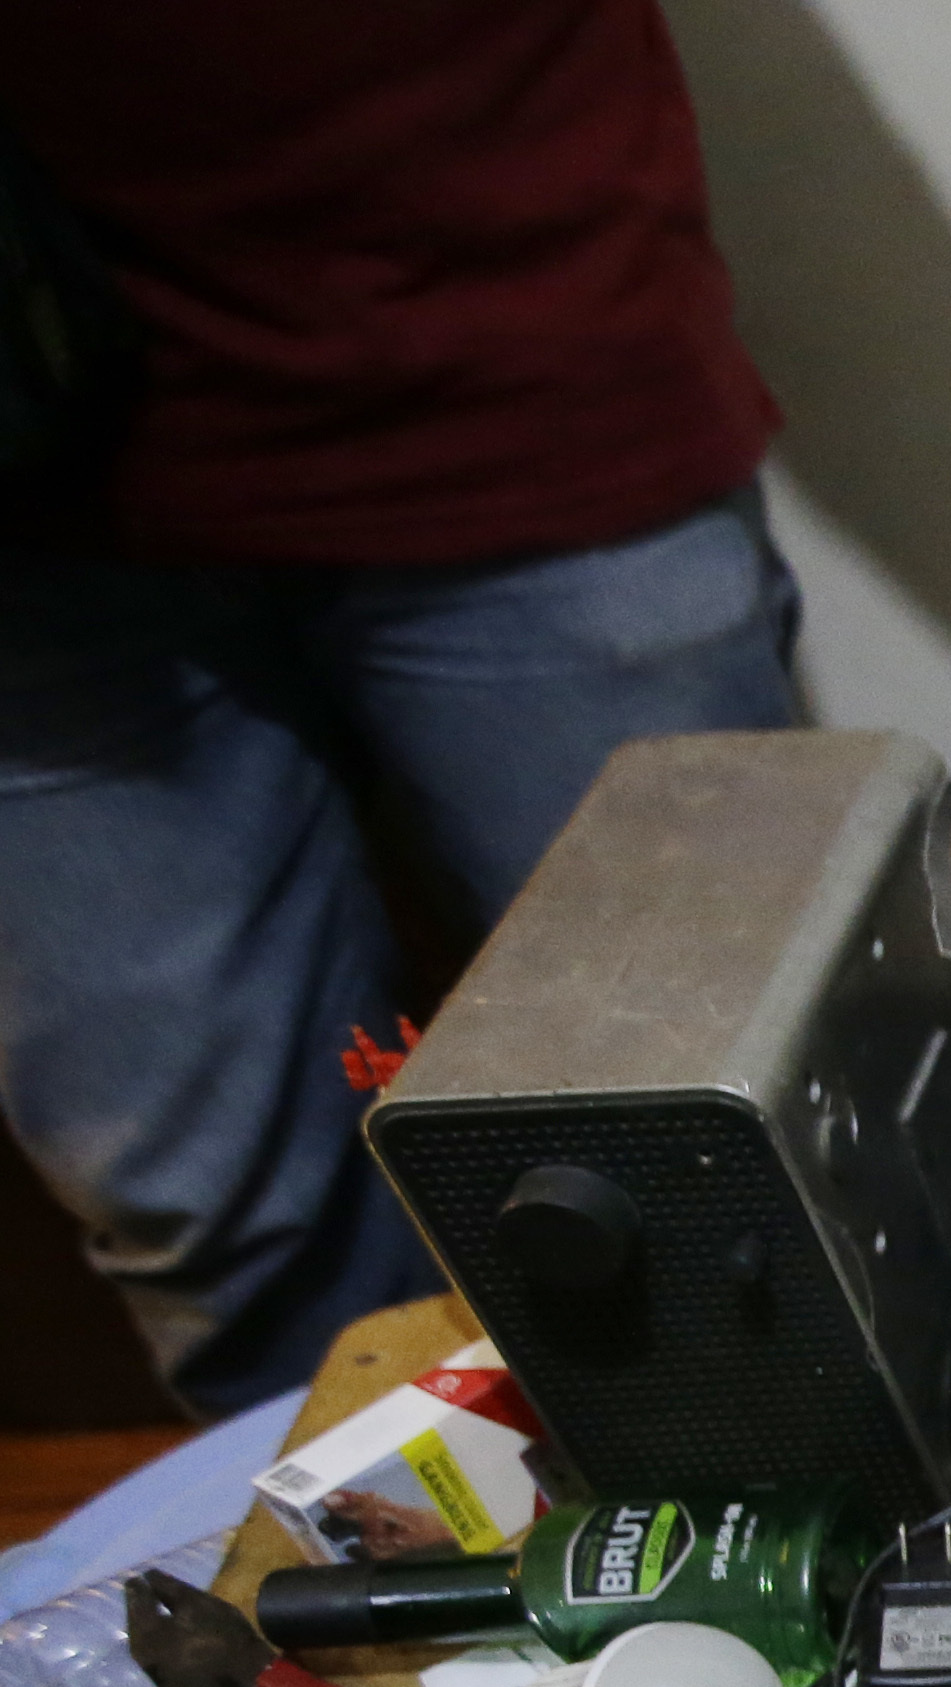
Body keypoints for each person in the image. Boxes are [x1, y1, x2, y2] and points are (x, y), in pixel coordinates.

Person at [0, 2, 805, 1415]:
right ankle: (375, 1617)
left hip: (497, 326)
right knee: (226, 1221)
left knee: (732, 1128)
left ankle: (850, 1586)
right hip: (33, 507)